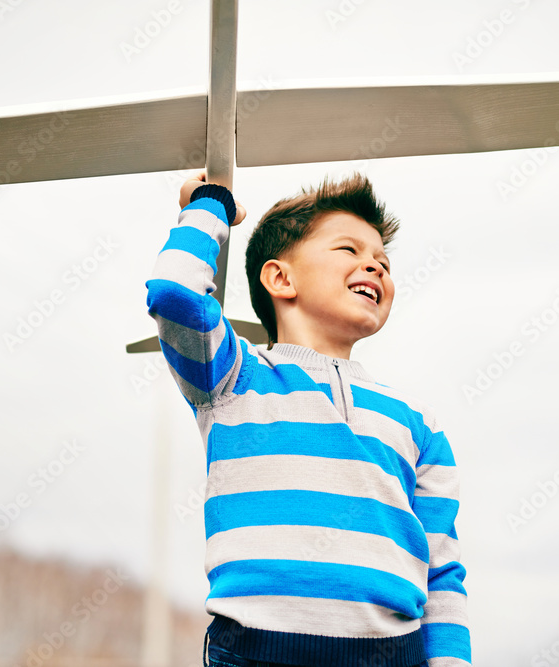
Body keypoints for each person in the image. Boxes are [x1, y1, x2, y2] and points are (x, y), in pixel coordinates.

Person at [146, 171, 470, 667]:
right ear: (280, 278)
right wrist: (208, 207)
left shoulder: (417, 424)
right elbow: (175, 294)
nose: (375, 267)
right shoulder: (233, 378)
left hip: (390, 656)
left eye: (383, 260)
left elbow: (442, 570)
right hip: (259, 650)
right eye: (349, 250)